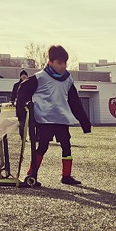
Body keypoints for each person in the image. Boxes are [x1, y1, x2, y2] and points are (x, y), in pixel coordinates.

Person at [16, 45, 91, 185]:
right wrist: (21, 115)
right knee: (42, 146)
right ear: (50, 62)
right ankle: (32, 175)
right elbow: (22, 92)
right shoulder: (40, 77)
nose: (63, 66)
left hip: (62, 119)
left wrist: (85, 123)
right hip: (45, 119)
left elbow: (75, 102)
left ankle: (66, 176)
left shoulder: (68, 79)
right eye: (59, 63)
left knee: (67, 146)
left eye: (65, 63)